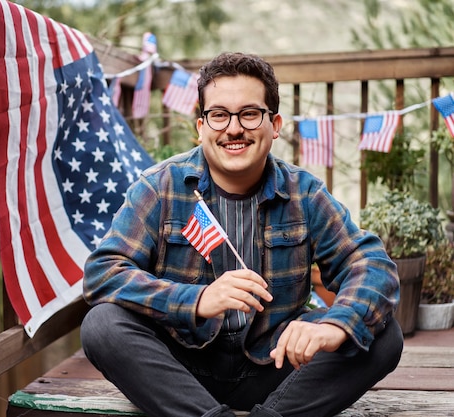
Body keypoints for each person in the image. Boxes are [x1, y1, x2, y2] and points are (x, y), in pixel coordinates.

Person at [80, 52, 403, 417]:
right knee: (102, 325)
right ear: (201, 126)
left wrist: (336, 323)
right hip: (182, 368)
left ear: (274, 124)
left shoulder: (303, 193)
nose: (234, 128)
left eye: (249, 114)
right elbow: (103, 273)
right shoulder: (160, 187)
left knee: (382, 335)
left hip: (276, 366)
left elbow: (370, 264)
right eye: (219, 115)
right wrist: (196, 300)